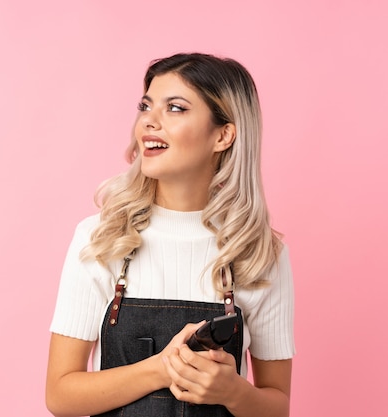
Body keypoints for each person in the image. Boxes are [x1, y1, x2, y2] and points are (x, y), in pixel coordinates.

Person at [45, 52, 295, 417]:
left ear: (223, 135)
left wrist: (233, 392)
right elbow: (60, 395)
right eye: (145, 106)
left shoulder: (259, 253)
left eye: (175, 108)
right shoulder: (102, 237)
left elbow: (277, 406)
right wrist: (159, 369)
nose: (149, 121)